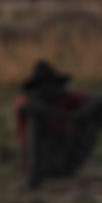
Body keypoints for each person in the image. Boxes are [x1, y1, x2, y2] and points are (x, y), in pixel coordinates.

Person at [15, 60, 96, 188]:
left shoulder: (65, 99)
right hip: (41, 159)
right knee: (36, 122)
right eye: (44, 85)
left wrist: (79, 114)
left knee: (90, 119)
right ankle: (35, 175)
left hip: (65, 155)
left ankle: (69, 168)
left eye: (50, 84)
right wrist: (64, 116)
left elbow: (93, 100)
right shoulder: (29, 103)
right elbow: (26, 106)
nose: (48, 88)